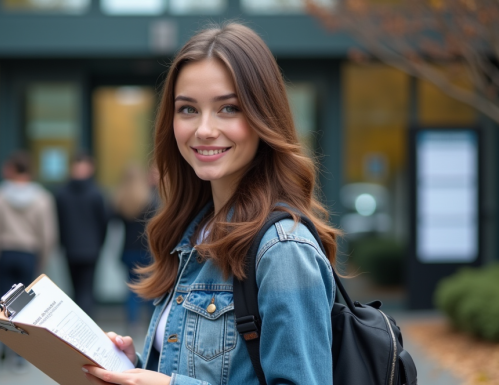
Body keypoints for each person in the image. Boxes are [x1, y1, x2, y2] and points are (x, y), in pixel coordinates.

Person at [82, 23, 340, 385]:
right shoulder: (193, 230)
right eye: (187, 109)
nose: (203, 129)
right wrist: (134, 368)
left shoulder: (282, 250)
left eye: (228, 108)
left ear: (263, 116)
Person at [0, 151, 57, 370]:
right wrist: (42, 259)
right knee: (24, 307)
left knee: (2, 304)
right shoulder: (42, 198)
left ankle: (3, 346)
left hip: (5, 253)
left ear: (13, 169)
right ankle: (20, 353)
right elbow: (48, 235)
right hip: (28, 254)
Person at [55, 153, 108, 317]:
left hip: (71, 248)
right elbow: (103, 222)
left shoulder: (61, 194)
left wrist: (62, 243)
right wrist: (99, 244)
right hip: (91, 248)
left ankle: (78, 322)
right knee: (87, 290)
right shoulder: (96, 193)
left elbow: (58, 222)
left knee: (76, 289)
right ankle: (86, 324)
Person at [113, 164, 156, 330]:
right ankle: (152, 320)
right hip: (147, 250)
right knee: (151, 286)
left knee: (132, 287)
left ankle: (132, 321)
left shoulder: (120, 200)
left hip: (127, 250)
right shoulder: (150, 200)